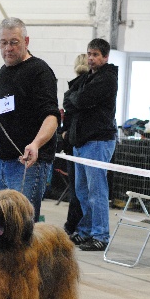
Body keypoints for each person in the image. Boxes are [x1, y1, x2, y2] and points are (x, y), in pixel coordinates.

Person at [0, 17, 60, 299]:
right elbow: (6, 109)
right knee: (0, 237)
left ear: (26, 41)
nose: (8, 48)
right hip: (4, 164)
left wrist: (36, 143)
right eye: (3, 42)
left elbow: (52, 116)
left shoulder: (40, 72)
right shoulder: (5, 74)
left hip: (28, 164)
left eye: (14, 42)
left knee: (22, 238)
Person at [63, 38, 118, 251]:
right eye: (89, 54)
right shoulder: (87, 78)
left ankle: (101, 235)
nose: (91, 58)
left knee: (97, 192)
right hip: (81, 141)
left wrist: (76, 100)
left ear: (105, 57)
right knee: (82, 192)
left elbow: (80, 101)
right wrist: (75, 100)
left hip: (98, 141)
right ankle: (85, 231)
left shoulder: (107, 79)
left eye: (96, 55)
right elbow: (68, 98)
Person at [62, 54, 89, 235]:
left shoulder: (74, 89)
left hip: (75, 140)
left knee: (78, 188)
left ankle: (74, 225)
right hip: (76, 139)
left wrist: (65, 133)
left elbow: (70, 112)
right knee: (80, 188)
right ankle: (74, 225)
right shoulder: (79, 87)